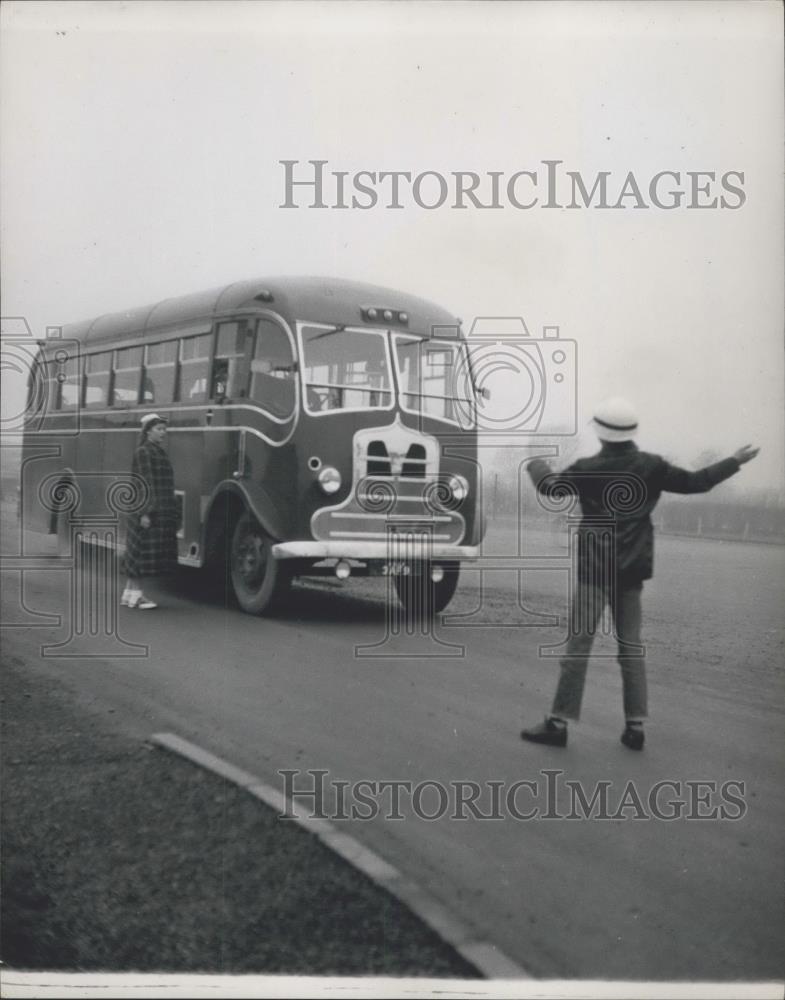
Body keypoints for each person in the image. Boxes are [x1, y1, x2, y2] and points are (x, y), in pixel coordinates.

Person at [520, 397, 759, 750]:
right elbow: (698, 482)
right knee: (631, 647)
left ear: (600, 434)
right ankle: (635, 727)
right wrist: (734, 461)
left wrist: (536, 462)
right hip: (631, 571)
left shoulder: (586, 469)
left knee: (579, 646)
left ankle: (558, 722)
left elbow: (549, 487)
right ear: (632, 433)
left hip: (594, 571)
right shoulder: (652, 466)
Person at [121, 413, 178, 610]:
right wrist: (145, 512)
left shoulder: (153, 451)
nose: (164, 433)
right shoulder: (146, 452)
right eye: (159, 429)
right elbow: (145, 483)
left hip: (148, 509)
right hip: (145, 510)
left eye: (165, 429)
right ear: (148, 431)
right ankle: (137, 596)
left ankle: (129, 593)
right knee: (141, 553)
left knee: (136, 551)